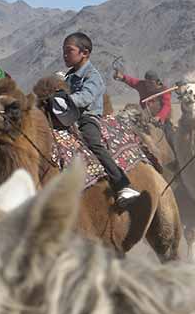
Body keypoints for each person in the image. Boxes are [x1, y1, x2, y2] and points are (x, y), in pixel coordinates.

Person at [60, 32, 140, 205]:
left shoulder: (92, 76)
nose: (65, 55)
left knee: (92, 142)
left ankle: (122, 184)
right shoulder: (67, 75)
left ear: (85, 53)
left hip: (86, 117)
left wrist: (64, 100)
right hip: (67, 116)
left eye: (69, 51)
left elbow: (85, 97)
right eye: (64, 51)